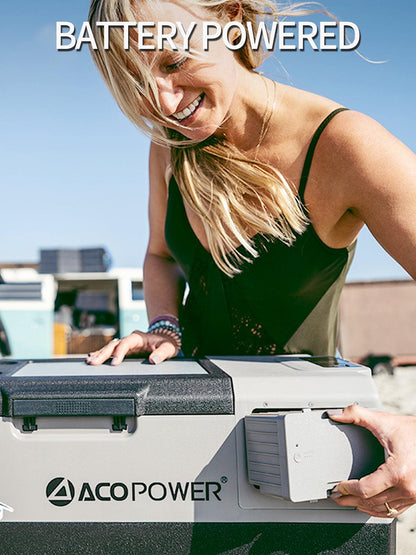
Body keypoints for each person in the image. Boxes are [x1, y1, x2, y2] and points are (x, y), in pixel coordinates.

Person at [85, 0, 416, 519]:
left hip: (309, 451)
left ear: (233, 21)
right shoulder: (171, 145)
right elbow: (160, 254)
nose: (163, 104)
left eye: (173, 63)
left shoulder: (347, 146)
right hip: (187, 433)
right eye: (136, 82)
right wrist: (165, 325)